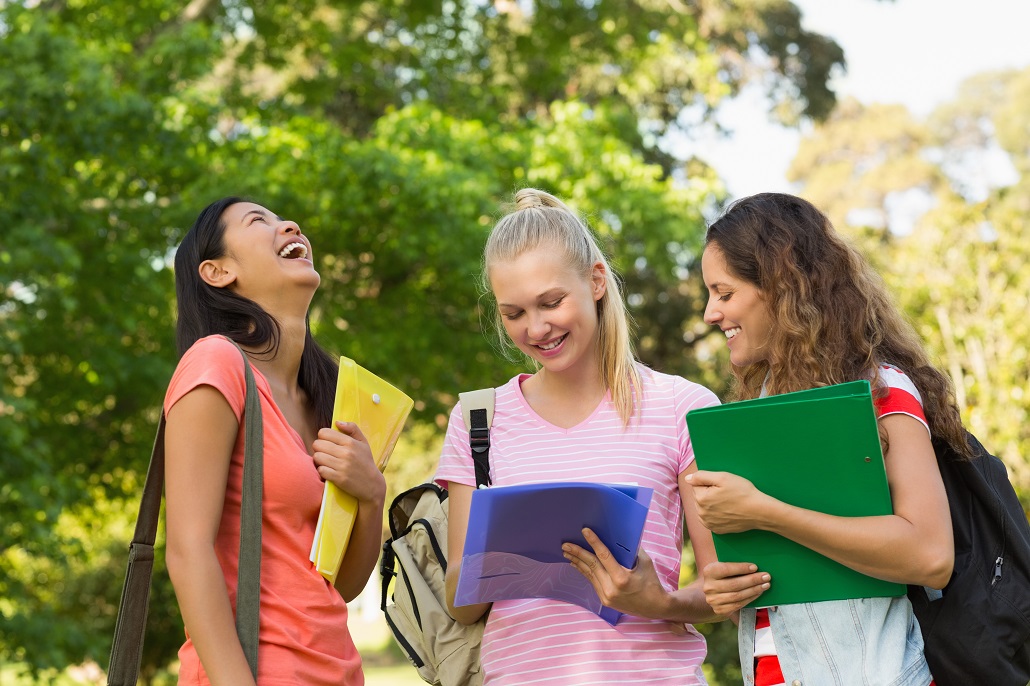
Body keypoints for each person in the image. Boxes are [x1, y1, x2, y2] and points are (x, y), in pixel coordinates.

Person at [435, 188, 738, 685]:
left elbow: (725, 590)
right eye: (513, 313)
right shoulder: (477, 421)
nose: (536, 328)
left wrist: (656, 601)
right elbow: (461, 607)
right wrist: (495, 559)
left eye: (551, 302)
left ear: (596, 280)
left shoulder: (682, 408)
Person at [689, 192, 967, 686]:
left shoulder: (883, 391)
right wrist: (727, 589)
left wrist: (765, 512)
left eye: (724, 293)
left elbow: (931, 556)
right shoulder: (758, 412)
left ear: (779, 288)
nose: (711, 313)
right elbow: (778, 589)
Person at [163, 197, 386, 685]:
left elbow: (338, 586)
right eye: (257, 221)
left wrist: (372, 497)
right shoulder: (216, 365)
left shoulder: (325, 397)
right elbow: (186, 550)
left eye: (282, 217)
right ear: (218, 271)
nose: (290, 223)